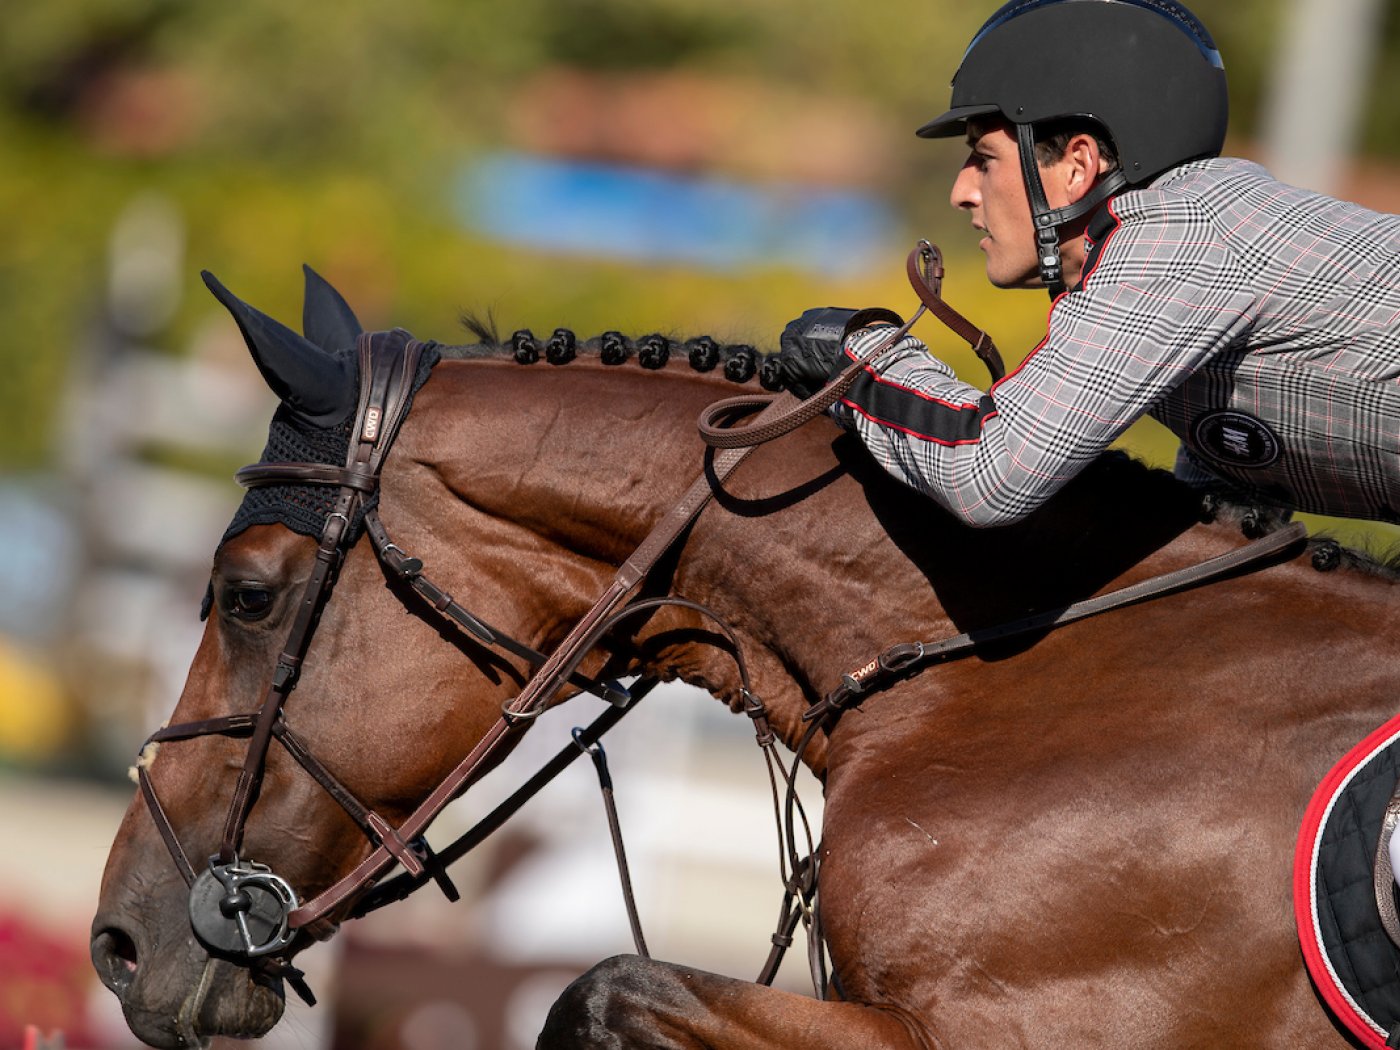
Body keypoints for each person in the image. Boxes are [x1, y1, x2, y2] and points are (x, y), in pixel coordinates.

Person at [775, 0, 1400, 528]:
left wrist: (860, 356)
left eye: (983, 158)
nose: (962, 192)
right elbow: (1224, 520)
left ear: (1077, 167)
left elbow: (989, 476)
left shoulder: (1175, 235)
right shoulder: (1183, 238)